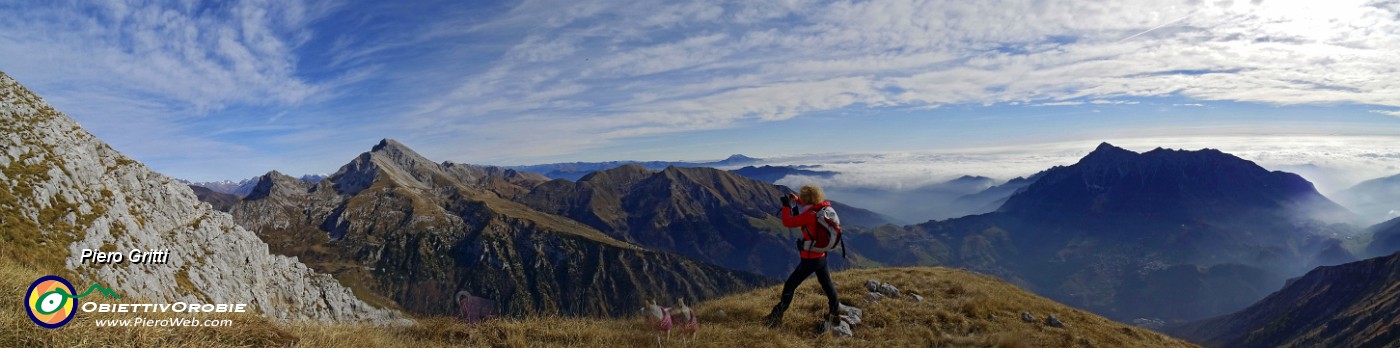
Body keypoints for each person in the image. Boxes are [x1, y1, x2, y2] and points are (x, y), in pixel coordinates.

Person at [763, 184, 841, 330]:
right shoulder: (821, 209)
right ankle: (835, 312)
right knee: (826, 284)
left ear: (807, 199)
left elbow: (788, 222)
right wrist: (797, 200)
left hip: (810, 259)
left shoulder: (809, 216)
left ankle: (776, 317)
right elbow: (807, 206)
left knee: (790, 285)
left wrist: (786, 206)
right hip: (821, 256)